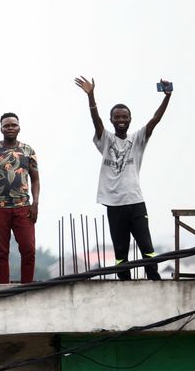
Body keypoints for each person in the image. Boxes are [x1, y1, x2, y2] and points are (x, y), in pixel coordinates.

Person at [75, 76, 172, 281]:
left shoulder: (137, 139)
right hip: (114, 203)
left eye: (124, 117)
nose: (121, 120)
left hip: (135, 201)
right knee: (120, 250)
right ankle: (124, 282)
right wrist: (91, 96)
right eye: (117, 117)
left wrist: (167, 96)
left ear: (130, 119)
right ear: (112, 120)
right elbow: (96, 121)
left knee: (146, 246)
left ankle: (154, 279)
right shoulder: (106, 140)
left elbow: (155, 119)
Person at [0, 113, 40, 284]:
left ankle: (26, 286)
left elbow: (35, 179)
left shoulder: (28, 151)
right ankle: (3, 287)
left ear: (19, 127)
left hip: (23, 207)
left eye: (13, 125)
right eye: (6, 126)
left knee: (28, 249)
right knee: (1, 251)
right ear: (1, 129)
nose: (10, 128)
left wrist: (35, 204)